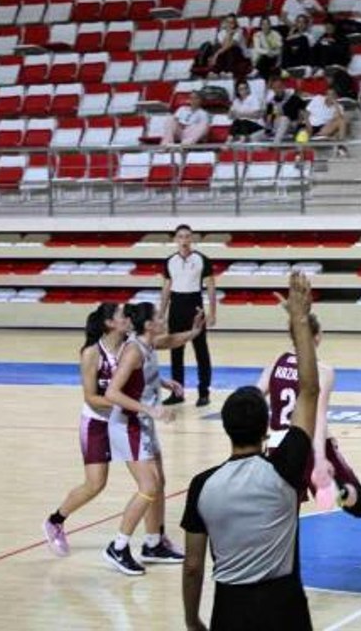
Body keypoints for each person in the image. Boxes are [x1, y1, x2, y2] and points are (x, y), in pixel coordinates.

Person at [181, 272, 319, 631]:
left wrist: (191, 618)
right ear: (266, 428)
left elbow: (193, 566)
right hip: (284, 606)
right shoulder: (285, 468)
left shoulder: (201, 486)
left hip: (230, 608)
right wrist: (300, 320)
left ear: (226, 428)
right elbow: (309, 391)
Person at [101, 303, 204, 574]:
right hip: (128, 425)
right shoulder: (134, 350)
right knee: (149, 486)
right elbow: (113, 392)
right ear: (148, 325)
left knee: (159, 483)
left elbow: (170, 342)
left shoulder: (147, 344)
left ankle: (153, 543)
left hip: (142, 423)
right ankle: (118, 546)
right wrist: (150, 409)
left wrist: (194, 333)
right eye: (159, 316)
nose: (163, 319)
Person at [257, 306, 361, 518]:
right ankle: (340, 493)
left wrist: (259, 439)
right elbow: (317, 417)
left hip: (277, 446)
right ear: (317, 337)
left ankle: (328, 490)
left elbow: (253, 399)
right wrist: (320, 458)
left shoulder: (276, 362)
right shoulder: (323, 371)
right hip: (308, 444)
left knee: (287, 518)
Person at [43, 303, 131, 556]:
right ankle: (55, 521)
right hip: (96, 423)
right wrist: (127, 404)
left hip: (123, 422)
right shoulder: (92, 353)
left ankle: (153, 539)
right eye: (122, 315)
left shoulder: (129, 347)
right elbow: (91, 397)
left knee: (149, 481)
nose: (128, 318)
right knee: (95, 484)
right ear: (109, 323)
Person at [161, 224, 217, 407]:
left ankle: (204, 393)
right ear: (175, 239)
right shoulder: (169, 261)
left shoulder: (202, 260)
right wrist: (161, 314)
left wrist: (212, 312)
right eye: (181, 237)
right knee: (176, 352)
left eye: (187, 237)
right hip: (176, 306)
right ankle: (177, 393)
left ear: (191, 239)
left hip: (195, 307)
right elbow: (166, 288)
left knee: (201, 351)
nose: (184, 240)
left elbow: (210, 287)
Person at [193, 14, 249, 80]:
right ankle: (214, 69)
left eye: (233, 22)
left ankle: (228, 71)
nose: (231, 24)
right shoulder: (222, 32)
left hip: (239, 55)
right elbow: (223, 45)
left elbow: (230, 45)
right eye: (229, 22)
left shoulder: (239, 31)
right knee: (214, 46)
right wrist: (229, 34)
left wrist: (216, 55)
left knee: (231, 49)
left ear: (236, 22)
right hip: (226, 53)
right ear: (226, 23)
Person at [265, 77, 305, 145]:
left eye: (279, 87)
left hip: (291, 124)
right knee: (256, 135)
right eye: (274, 88)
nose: (277, 90)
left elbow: (302, 112)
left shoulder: (293, 98)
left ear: (284, 87)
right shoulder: (271, 102)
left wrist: (299, 122)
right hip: (277, 126)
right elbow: (269, 120)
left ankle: (275, 145)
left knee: (284, 119)